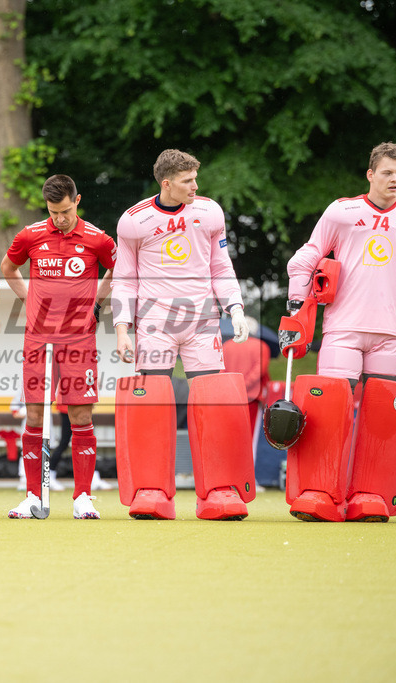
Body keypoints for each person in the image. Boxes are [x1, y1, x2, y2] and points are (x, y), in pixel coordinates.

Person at [281, 141, 396, 522]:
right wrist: (297, 308)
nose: (394, 179)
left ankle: (371, 495)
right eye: (387, 173)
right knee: (330, 410)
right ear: (370, 174)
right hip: (342, 330)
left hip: (391, 335)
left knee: (382, 419)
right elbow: (305, 258)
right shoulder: (342, 212)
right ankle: (320, 492)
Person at [112, 149, 254, 521]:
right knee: (152, 403)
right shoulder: (133, 221)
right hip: (154, 325)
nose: (196, 185)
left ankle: (217, 492)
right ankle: (152, 489)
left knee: (212, 399)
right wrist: (122, 329)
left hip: (202, 322)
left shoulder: (209, 212)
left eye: (196, 178)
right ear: (167, 183)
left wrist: (235, 307)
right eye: (188, 180)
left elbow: (221, 266)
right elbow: (125, 280)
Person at [0, 174, 116, 519]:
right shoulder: (31, 235)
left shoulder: (97, 238)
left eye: (65, 211)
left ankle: (83, 497)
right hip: (38, 338)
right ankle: (32, 496)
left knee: (80, 414)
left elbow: (118, 269)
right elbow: (8, 268)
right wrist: (29, 300)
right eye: (53, 212)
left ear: (77, 201)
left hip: (79, 339)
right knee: (34, 415)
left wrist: (97, 302)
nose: (60, 219)